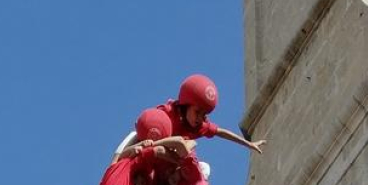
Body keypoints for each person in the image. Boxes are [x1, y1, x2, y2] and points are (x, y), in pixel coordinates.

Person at [113, 74, 266, 160]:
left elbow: (221, 132)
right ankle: (112, 170)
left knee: (195, 156)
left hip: (164, 160)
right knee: (132, 137)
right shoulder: (166, 112)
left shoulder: (199, 126)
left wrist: (248, 144)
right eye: (197, 112)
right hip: (144, 147)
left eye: (204, 115)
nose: (199, 118)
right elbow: (142, 125)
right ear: (186, 105)